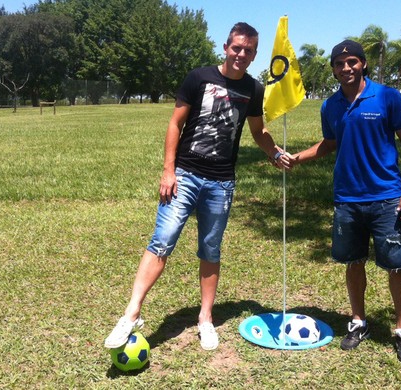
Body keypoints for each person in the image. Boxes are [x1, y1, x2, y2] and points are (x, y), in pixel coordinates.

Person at [104, 22, 286, 351]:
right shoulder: (199, 77)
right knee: (162, 240)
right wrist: (168, 171)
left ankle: (205, 318)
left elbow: (258, 131)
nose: (241, 55)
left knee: (210, 250)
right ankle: (131, 314)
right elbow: (176, 123)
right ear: (226, 47)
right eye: (236, 48)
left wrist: (274, 152)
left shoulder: (254, 89)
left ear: (255, 54)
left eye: (248, 50)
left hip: (221, 183)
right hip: (185, 175)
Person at [281, 39, 401, 363]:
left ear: (363, 64)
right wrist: (297, 158)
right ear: (333, 69)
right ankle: (358, 322)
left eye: (352, 62)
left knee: (396, 265)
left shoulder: (387, 97)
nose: (346, 68)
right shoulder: (330, 106)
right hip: (347, 199)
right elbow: (330, 143)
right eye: (339, 64)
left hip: (387, 198)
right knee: (353, 262)